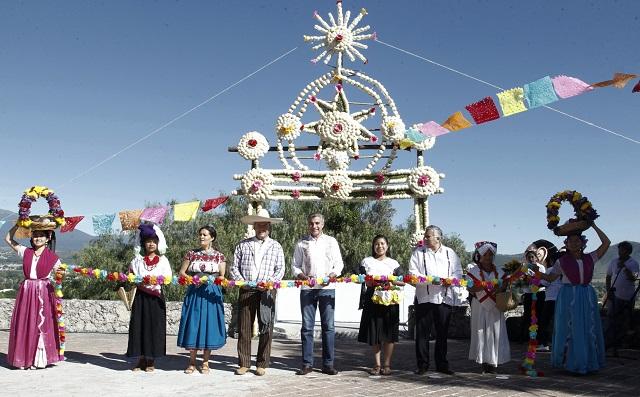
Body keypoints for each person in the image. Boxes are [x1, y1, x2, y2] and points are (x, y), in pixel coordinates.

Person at [538, 222, 610, 374]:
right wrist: (534, 272)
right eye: (570, 241)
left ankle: (587, 360)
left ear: (583, 243)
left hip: (586, 295)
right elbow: (550, 278)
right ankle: (570, 360)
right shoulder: (561, 261)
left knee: (586, 328)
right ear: (566, 244)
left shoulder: (591, 257)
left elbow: (606, 242)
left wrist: (594, 225)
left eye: (577, 240)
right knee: (570, 328)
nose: (574, 243)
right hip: (568, 295)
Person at [230, 209, 285, 376]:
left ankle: (262, 363)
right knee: (245, 327)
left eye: (265, 224)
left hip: (267, 291)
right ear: (254, 226)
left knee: (266, 327)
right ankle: (244, 363)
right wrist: (243, 283)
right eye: (259, 224)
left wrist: (269, 284)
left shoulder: (276, 246)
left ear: (269, 226)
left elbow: (280, 269)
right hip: (247, 289)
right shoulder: (243, 244)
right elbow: (234, 268)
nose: (262, 227)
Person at [292, 213, 344, 376]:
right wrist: (303, 277)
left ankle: (328, 364)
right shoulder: (301, 243)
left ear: (323, 224)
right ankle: (307, 364)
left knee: (328, 327)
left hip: (327, 288)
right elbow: (295, 266)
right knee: (307, 328)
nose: (314, 226)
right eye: (311, 223)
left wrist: (332, 276)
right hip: (308, 289)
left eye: (317, 223)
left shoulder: (331, 241)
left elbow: (339, 263)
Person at [4, 224, 62, 369]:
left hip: (44, 292)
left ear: (47, 238)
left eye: (41, 235)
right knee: (26, 323)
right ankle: (24, 358)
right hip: (27, 291)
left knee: (41, 325)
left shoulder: (54, 258)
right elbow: (8, 239)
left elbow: (60, 275)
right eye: (35, 235)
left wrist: (61, 274)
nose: (38, 238)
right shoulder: (25, 252)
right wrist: (17, 225)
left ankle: (39, 360)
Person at [408, 225, 463, 375]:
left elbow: (458, 272)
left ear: (438, 238)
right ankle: (422, 365)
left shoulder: (450, 253)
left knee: (442, 333)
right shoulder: (418, 253)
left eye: (428, 236)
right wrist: (431, 280)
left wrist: (450, 280)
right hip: (424, 298)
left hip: (444, 298)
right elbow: (412, 274)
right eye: (425, 236)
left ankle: (442, 364)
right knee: (422, 334)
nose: (425, 238)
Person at [177, 225, 226, 374]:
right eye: (200, 234)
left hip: (211, 293)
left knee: (209, 324)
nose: (202, 237)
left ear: (212, 237)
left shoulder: (219, 256)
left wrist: (212, 279)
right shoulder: (191, 254)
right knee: (194, 323)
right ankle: (191, 362)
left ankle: (205, 362)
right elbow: (182, 273)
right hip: (195, 292)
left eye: (205, 234)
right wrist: (192, 279)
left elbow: (222, 276)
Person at [126, 223, 172, 372]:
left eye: (154, 241)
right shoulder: (137, 261)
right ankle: (139, 358)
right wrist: (134, 279)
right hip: (140, 297)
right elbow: (130, 276)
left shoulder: (163, 260)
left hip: (155, 298)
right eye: (148, 241)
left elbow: (168, 278)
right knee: (139, 326)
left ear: (158, 243)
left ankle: (151, 359)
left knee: (154, 327)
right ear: (143, 243)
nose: (151, 244)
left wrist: (154, 280)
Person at [357, 235, 405, 376]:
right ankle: (377, 364)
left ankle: (387, 364)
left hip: (390, 299)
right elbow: (359, 278)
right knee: (375, 332)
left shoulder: (394, 263)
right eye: (377, 244)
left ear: (387, 246)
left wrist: (392, 282)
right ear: (373, 246)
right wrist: (367, 281)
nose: (380, 246)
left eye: (382, 243)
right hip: (373, 299)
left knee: (389, 333)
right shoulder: (367, 261)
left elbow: (403, 281)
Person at [466, 241, 511, 374]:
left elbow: (504, 286)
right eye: (485, 254)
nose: (488, 257)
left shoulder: (500, 271)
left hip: (496, 305)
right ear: (480, 255)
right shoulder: (473, 271)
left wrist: (500, 287)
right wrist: (486, 285)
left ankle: (494, 361)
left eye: (491, 255)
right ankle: (484, 362)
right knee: (481, 331)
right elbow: (471, 288)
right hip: (479, 304)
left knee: (495, 332)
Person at [604, 241, 639, 352]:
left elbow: (634, 278)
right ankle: (609, 342)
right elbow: (608, 276)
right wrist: (608, 290)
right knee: (611, 318)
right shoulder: (614, 261)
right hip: (614, 295)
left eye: (623, 250)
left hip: (628, 297)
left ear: (628, 251)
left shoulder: (634, 263)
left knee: (626, 320)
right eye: (619, 250)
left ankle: (624, 343)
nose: (620, 252)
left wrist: (624, 267)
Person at [527, 239, 560, 352]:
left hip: (550, 298)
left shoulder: (551, 269)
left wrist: (535, 280)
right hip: (558, 297)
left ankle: (544, 343)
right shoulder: (561, 270)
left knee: (544, 321)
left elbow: (546, 282)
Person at [519, 245, 547, 345]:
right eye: (529, 257)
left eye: (532, 257)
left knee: (539, 316)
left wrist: (534, 281)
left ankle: (539, 338)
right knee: (527, 316)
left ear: (536, 258)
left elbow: (544, 281)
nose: (531, 259)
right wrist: (525, 281)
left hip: (539, 294)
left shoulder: (541, 267)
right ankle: (524, 337)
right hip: (529, 294)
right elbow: (521, 283)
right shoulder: (524, 269)